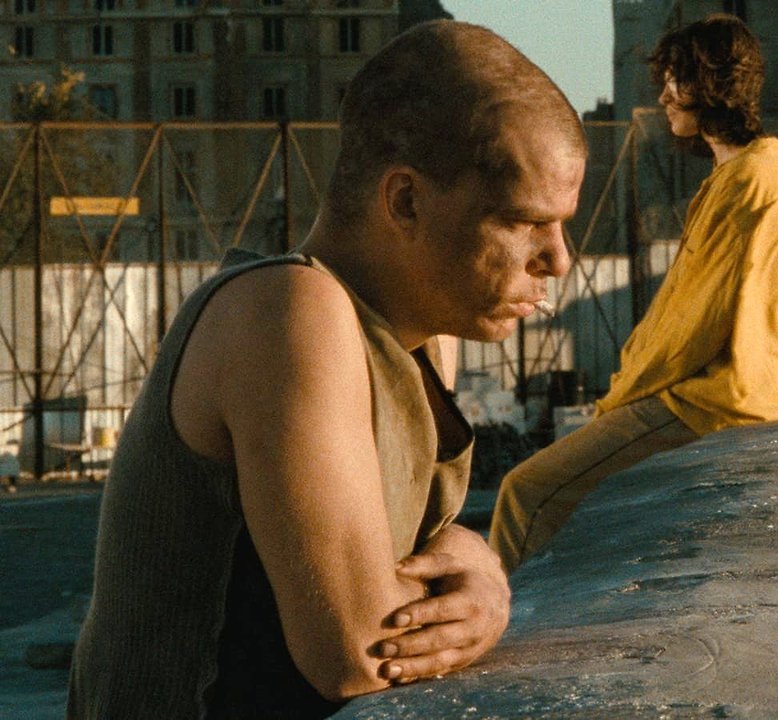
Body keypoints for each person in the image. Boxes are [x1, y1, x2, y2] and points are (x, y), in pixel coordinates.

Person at [67, 21, 587, 718]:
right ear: (405, 201)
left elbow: (398, 556)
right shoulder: (289, 311)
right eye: (525, 222)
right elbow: (362, 650)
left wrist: (473, 555)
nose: (559, 259)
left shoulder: (419, 334)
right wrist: (489, 590)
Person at [488, 14, 778, 574]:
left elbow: (693, 325)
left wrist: (619, 400)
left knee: (526, 494)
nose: (663, 96)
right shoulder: (750, 174)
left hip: (713, 403)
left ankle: (497, 621)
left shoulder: (750, 181)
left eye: (676, 80)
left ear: (711, 85)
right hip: (732, 395)